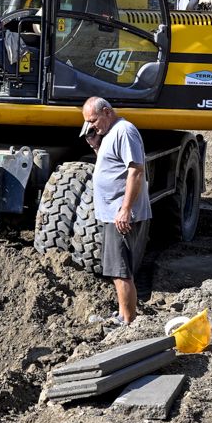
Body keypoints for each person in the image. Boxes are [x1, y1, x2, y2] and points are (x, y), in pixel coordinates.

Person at [80, 96, 151, 325]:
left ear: (107, 112)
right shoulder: (109, 133)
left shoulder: (125, 131)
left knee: (120, 269)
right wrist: (95, 145)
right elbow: (110, 165)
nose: (92, 125)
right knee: (115, 268)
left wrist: (124, 209)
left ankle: (128, 322)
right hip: (112, 213)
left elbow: (136, 171)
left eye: (93, 120)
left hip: (120, 215)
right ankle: (122, 314)